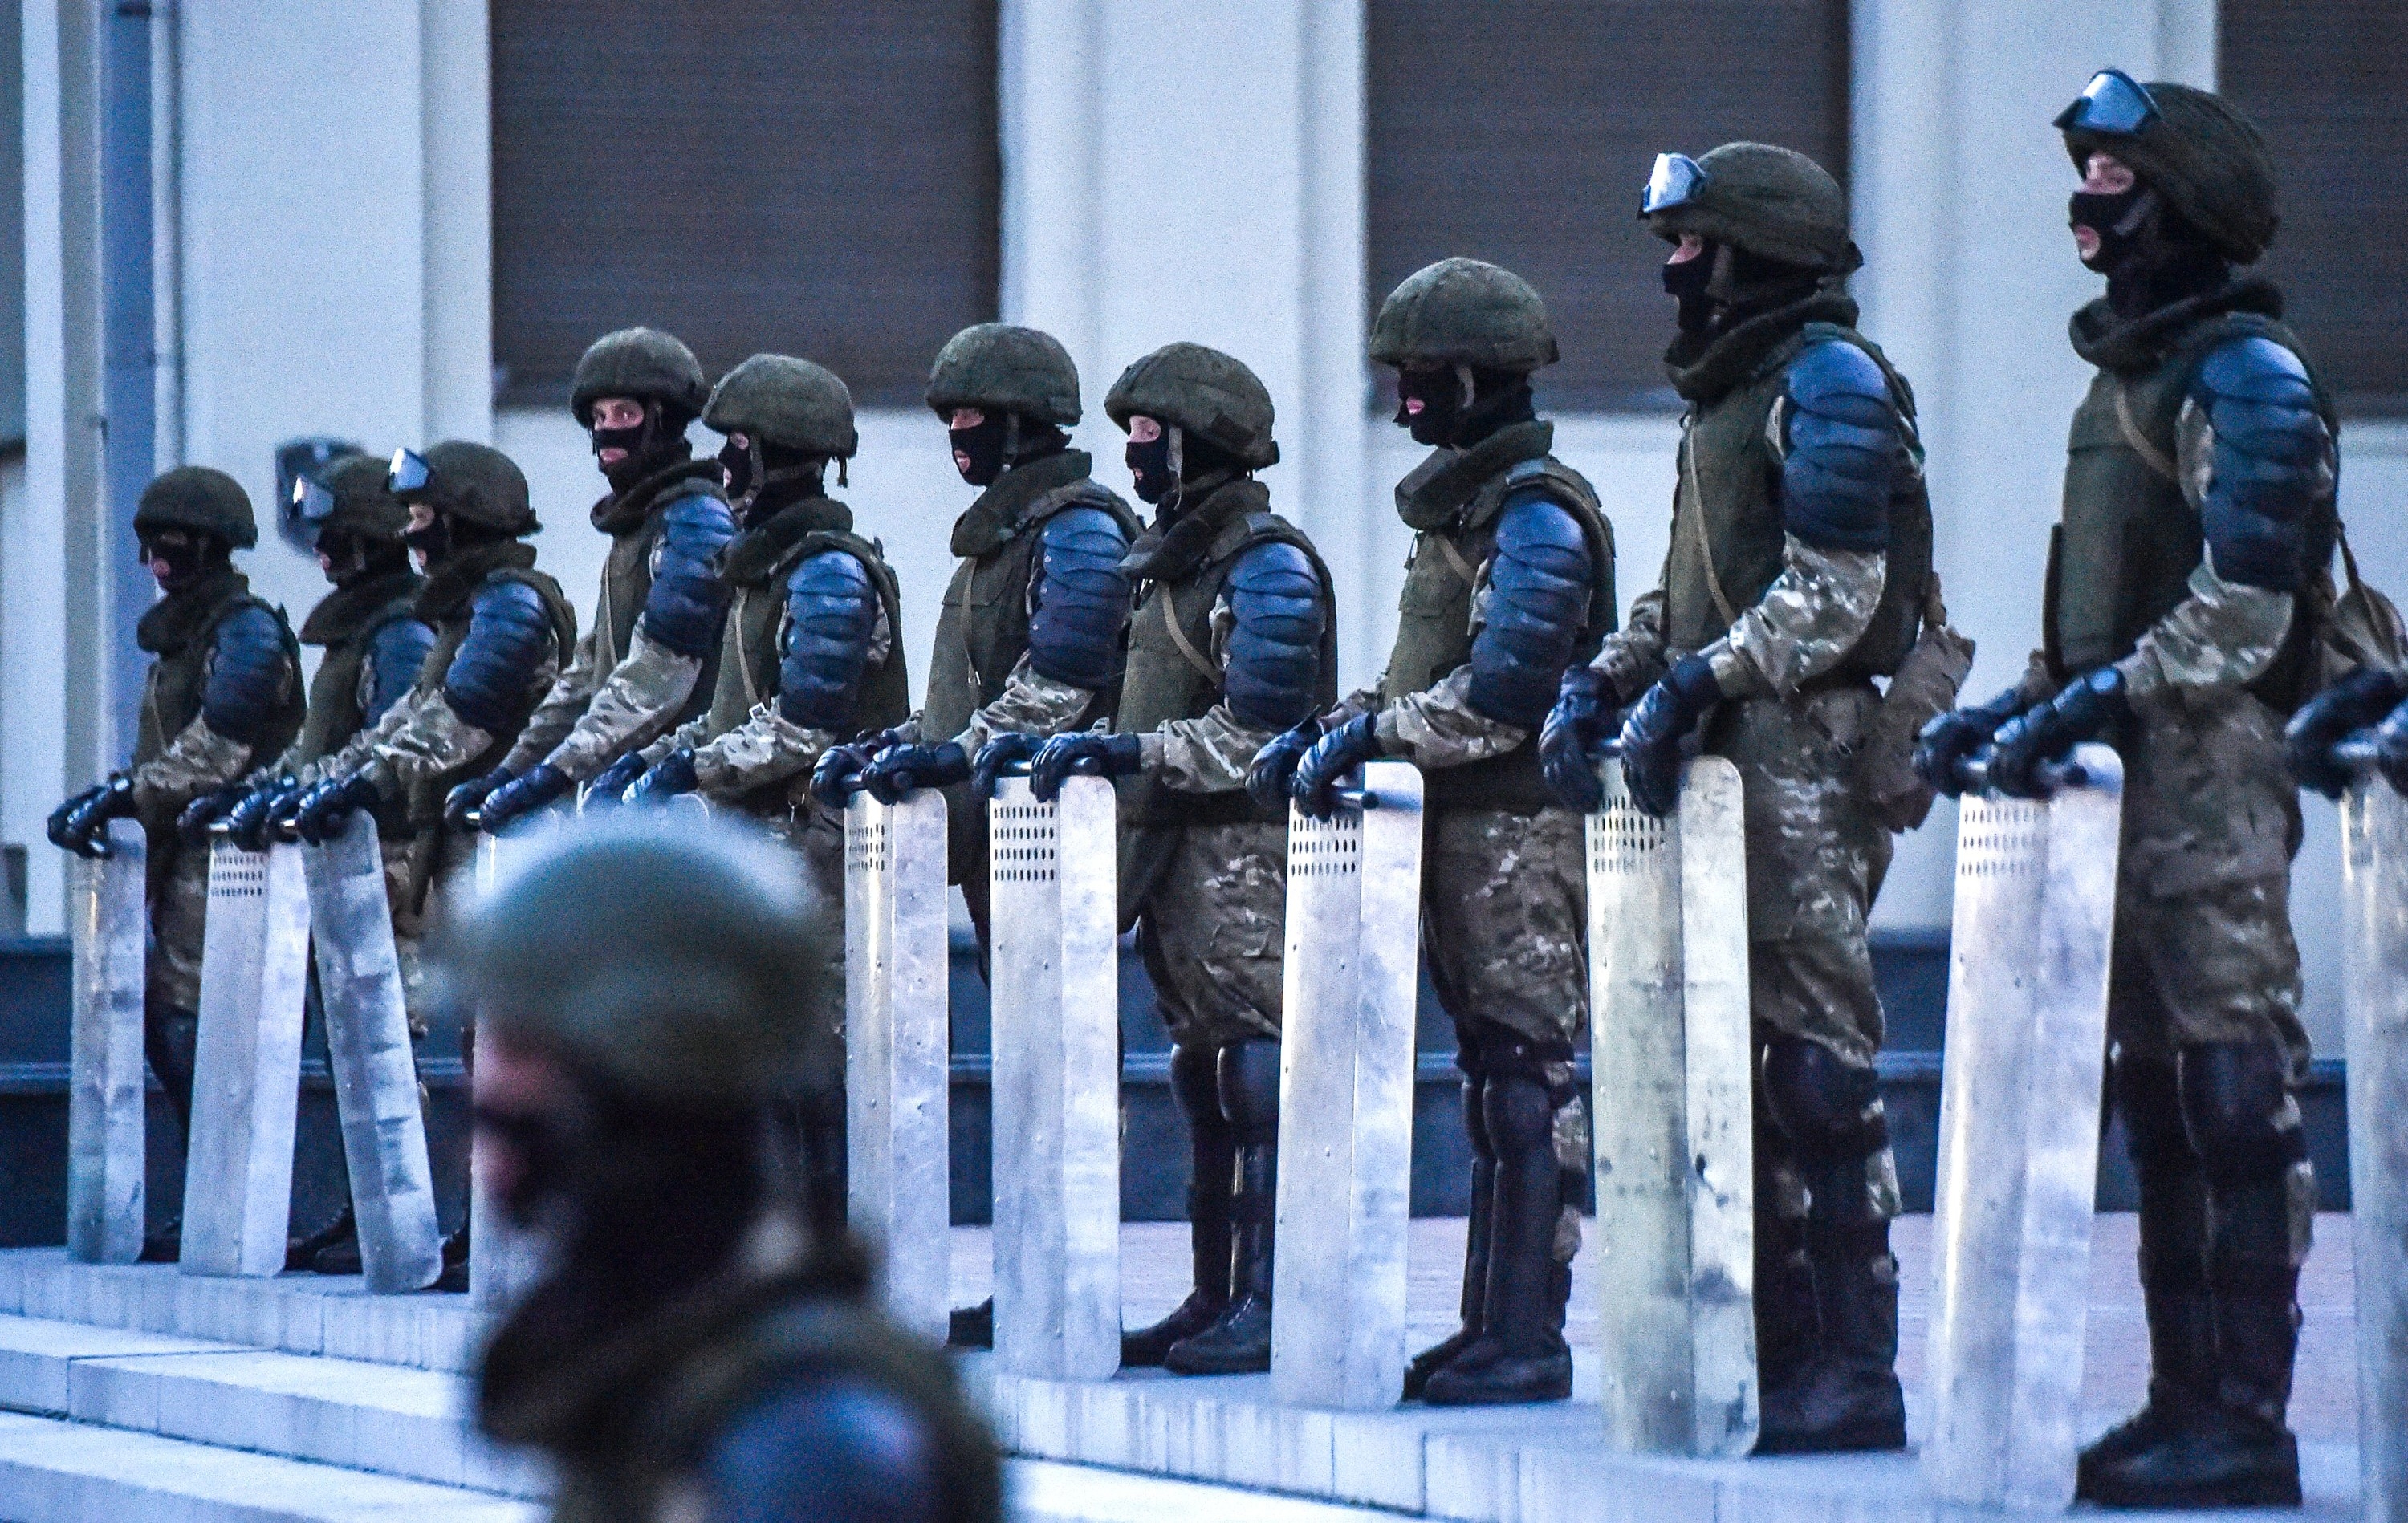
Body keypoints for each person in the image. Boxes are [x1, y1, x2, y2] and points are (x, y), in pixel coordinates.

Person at [1914, 72, 2337, 1509]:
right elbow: (2104, 611)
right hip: (2123, 774)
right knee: (2156, 1099)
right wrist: (2026, 707)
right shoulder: (2128, 385)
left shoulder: (2247, 378)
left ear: (2188, 205)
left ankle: (2249, 1416)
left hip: (2213, 775)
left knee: (2232, 1089)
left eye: (2115, 180)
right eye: (2084, 175)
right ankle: (2181, 1399)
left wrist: (2097, 698)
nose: (2086, 207)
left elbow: (2247, 607)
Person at [1540, 142, 1934, 1452]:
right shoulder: (1727, 398)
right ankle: (1772, 1351)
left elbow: (1839, 587)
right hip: (1721, 759)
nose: (1674, 267)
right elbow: (1689, 586)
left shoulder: (1831, 383)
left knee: (1819, 1068)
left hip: (1807, 754)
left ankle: (1853, 1366)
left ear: (1757, 247)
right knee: (1739, 1075)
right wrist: (1614, 673)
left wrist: (1694, 682)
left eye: (1694, 242)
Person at [1252, 258, 1613, 1406]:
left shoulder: (1537, 515)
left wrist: (1376, 735)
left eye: (1418, 375)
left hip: (1522, 840)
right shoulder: (1466, 512)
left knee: (1529, 1086)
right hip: (1460, 835)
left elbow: (1504, 691)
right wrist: (1344, 722)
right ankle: (1485, 1326)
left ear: (1474, 377)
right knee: (1487, 1086)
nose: (1403, 397)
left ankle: (1530, 1333)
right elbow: (1426, 674)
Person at [454, 816, 1002, 1523]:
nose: (490, 1093)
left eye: (525, 1045)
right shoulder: (668, 1354)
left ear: (652, 1059)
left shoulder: (803, 1445)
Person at [1002, 342, 1333, 1375]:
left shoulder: (1265, 566)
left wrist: (1136, 752)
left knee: (1258, 1077)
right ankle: (1214, 1291)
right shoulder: (1171, 567)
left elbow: (1263, 727)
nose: (1132, 452)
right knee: (1205, 1079)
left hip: (1244, 858)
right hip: (1173, 861)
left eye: (1148, 434)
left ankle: (1271, 1303)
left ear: (1199, 442)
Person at [810, 323, 1137, 1349]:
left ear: (1025, 422)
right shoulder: (994, 543)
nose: (958, 435)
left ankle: (1066, 1281)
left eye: (974, 418)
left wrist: (950, 758)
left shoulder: (1078, 532)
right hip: (998, 843)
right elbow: (961, 707)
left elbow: (1059, 685)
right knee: (1021, 1071)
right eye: (948, 416)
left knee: (1061, 1071)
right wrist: (893, 749)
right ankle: (1022, 1278)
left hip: (1054, 839)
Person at [615, 354, 909, 1210]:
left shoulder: (826, 572)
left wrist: (693, 765)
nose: (722, 464)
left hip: (817, 856)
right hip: (764, 855)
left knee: (815, 1065)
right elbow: (733, 709)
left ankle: (831, 1247)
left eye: (733, 445)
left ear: (768, 450)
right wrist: (668, 751)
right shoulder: (768, 571)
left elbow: (805, 721)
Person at [282, 442, 576, 1286]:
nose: (411, 533)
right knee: (482, 1041)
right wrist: (324, 782)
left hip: (511, 857)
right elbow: (401, 724)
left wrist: (366, 780)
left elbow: (466, 720)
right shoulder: (468, 612)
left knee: (519, 1047)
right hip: (466, 853)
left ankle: (526, 1231)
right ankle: (490, 1231)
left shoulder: (511, 607)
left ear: (466, 518)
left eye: (423, 516)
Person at [51, 465, 307, 1257]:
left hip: (233, 859)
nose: (159, 564)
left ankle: (228, 1204)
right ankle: (208, 1198)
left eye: (174, 548)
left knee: (203, 1030)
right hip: (183, 855)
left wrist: (130, 795)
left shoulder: (246, 629)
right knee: (172, 1028)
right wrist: (127, 794)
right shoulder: (189, 635)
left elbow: (221, 744)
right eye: (150, 549)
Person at [189, 453, 435, 1275]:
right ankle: (366, 1212)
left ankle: (406, 1211)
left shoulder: (400, 631)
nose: (324, 557)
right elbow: (313, 748)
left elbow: (386, 742)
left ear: (371, 540)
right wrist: (254, 795)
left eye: (336, 540)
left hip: (392, 862)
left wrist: (319, 787)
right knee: (350, 1044)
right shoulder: (358, 633)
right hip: (345, 857)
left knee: (387, 1045)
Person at [451, 328, 734, 834]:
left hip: (687, 816)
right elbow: (589, 673)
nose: (607, 433)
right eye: (598, 418)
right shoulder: (639, 528)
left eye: (625, 414)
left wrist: (556, 773)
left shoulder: (695, 524)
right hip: (627, 809)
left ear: (665, 419)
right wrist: (515, 771)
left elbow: (658, 677)